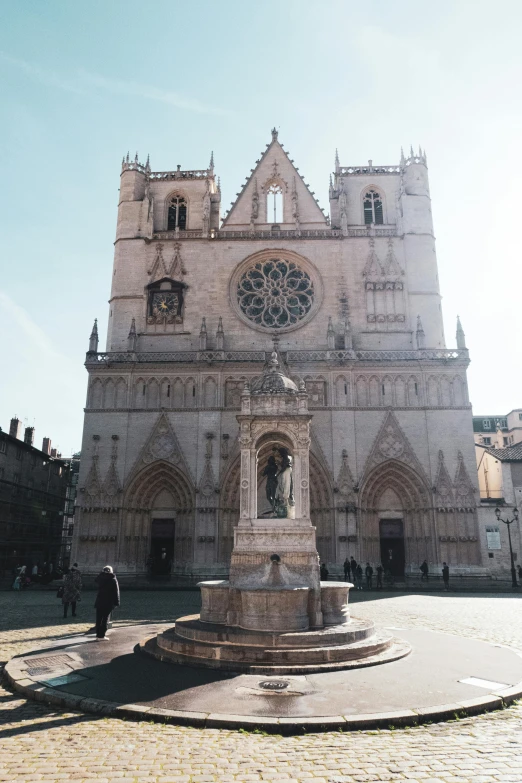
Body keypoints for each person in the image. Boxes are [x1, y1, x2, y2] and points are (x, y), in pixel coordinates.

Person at [94, 565, 120, 641]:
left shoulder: (100, 578)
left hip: (99, 601)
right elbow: (116, 592)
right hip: (108, 602)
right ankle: (101, 636)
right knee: (105, 619)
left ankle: (98, 634)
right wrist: (117, 602)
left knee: (98, 619)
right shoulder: (112, 579)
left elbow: (96, 580)